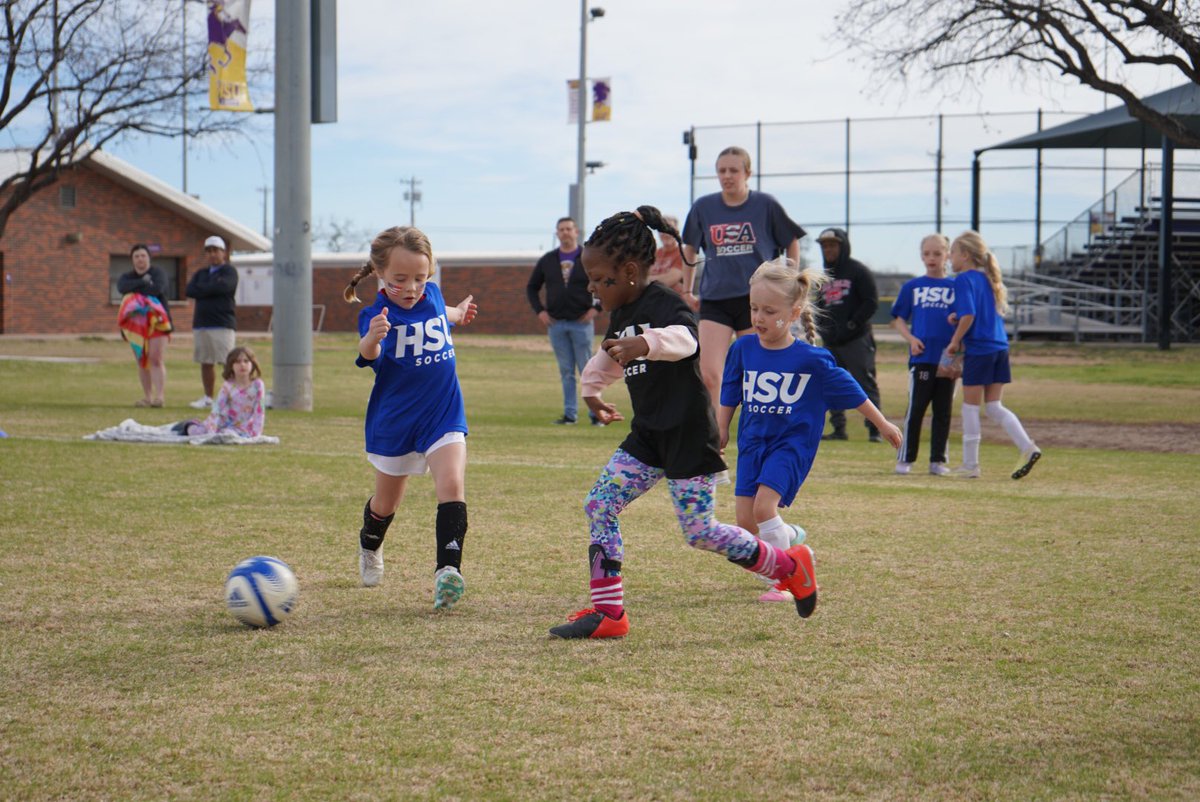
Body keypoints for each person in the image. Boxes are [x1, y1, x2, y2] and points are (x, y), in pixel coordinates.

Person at [547, 205, 817, 640]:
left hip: (688, 436)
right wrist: (592, 391)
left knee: (700, 532)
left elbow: (686, 340)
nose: (595, 289)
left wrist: (644, 342)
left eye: (602, 280)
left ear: (631, 271)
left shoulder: (665, 304)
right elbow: (608, 354)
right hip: (648, 436)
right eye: (591, 280)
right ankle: (610, 613)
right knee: (599, 504)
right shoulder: (621, 314)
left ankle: (789, 565)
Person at [719, 259, 902, 603]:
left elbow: (852, 391)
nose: (758, 317)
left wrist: (882, 423)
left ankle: (787, 578)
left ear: (793, 312)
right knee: (745, 522)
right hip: (752, 444)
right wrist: (721, 431)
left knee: (763, 509)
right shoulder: (742, 349)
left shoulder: (811, 360)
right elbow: (729, 391)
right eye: (753, 308)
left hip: (791, 446)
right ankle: (789, 536)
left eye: (768, 310)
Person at [343, 226, 479, 610]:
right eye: (400, 279)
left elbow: (443, 312)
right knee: (386, 504)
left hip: (443, 412)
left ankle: (447, 572)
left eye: (421, 278)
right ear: (381, 274)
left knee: (451, 485)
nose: (413, 287)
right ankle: (370, 544)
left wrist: (459, 314)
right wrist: (372, 337)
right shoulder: (375, 316)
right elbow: (367, 354)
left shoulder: (432, 294)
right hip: (396, 421)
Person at [681, 146, 805, 418]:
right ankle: (715, 437)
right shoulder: (704, 207)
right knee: (710, 373)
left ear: (747, 173)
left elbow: (791, 241)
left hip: (757, 302)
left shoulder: (765, 205)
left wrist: (789, 279)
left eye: (733, 170)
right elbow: (689, 247)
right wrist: (687, 289)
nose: (727, 176)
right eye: (722, 170)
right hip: (715, 298)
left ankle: (758, 426)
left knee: (756, 371)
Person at [946, 230, 1042, 480]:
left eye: (953, 252)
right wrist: (957, 316)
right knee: (994, 406)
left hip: (980, 349)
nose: (949, 257)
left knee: (969, 407)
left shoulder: (963, 279)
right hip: (999, 347)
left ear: (965, 255)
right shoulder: (988, 278)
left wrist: (955, 341)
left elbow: (970, 316)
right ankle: (1028, 447)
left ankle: (970, 465)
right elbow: (975, 313)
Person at [890, 234, 958, 475]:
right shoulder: (913, 287)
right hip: (921, 359)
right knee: (916, 408)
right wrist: (911, 339)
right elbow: (898, 320)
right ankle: (905, 458)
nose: (932, 258)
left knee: (943, 410)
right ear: (921, 256)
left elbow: (964, 320)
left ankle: (937, 460)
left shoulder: (955, 287)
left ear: (947, 256)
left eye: (937, 254)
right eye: (927, 254)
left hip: (947, 360)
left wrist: (957, 349)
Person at [526, 217, 602, 425]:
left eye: (569, 229)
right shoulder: (548, 260)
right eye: (561, 229)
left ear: (576, 232)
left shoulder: (587, 257)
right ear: (557, 233)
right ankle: (570, 415)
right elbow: (532, 287)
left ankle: (596, 415)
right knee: (566, 371)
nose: (565, 232)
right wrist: (540, 311)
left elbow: (604, 281)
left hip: (582, 323)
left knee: (587, 369)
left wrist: (596, 308)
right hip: (556, 324)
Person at [814, 227, 883, 442]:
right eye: (825, 246)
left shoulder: (857, 271)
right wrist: (824, 330)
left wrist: (853, 324)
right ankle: (838, 429)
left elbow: (871, 302)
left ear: (843, 247)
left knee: (864, 382)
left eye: (833, 245)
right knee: (832, 383)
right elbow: (819, 307)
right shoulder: (823, 277)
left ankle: (874, 430)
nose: (828, 250)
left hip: (856, 339)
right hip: (832, 342)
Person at [116, 243, 173, 408]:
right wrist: (143, 282)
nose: (140, 259)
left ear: (149, 258)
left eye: (143, 256)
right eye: (136, 256)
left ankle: (159, 397)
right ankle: (147, 397)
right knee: (142, 360)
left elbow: (157, 289)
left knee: (156, 358)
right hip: (135, 326)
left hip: (158, 323)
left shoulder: (159, 273)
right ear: (132, 260)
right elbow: (122, 288)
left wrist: (136, 289)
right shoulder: (127, 276)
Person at [186, 235, 239, 409]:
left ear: (224, 252)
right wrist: (210, 287)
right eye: (208, 251)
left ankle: (233, 398)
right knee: (206, 362)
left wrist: (206, 288)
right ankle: (208, 397)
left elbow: (224, 287)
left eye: (216, 250)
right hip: (202, 323)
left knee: (228, 362)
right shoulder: (201, 273)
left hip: (222, 323)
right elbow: (190, 290)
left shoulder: (229, 272)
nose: (212, 254)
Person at [174, 346, 266, 438]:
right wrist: (211, 430)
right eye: (237, 362)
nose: (242, 365)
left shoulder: (258, 385)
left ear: (252, 364)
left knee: (230, 435)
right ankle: (190, 424)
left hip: (243, 427)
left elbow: (259, 411)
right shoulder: (228, 385)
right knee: (197, 433)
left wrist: (256, 434)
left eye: (246, 361)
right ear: (231, 366)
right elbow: (217, 408)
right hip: (222, 423)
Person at [648, 214, 684, 294]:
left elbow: (669, 280)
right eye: (662, 230)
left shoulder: (683, 253)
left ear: (676, 231)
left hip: (674, 300)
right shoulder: (654, 253)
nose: (665, 233)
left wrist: (645, 280)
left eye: (669, 229)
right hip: (654, 298)